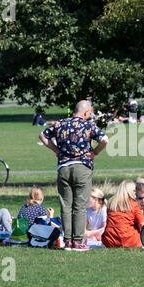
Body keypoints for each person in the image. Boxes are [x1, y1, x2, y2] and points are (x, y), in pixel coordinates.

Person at [39, 99, 108, 251]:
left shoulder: (60, 123)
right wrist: (95, 152)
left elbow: (42, 136)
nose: (90, 115)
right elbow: (104, 140)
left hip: (63, 168)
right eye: (90, 113)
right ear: (85, 112)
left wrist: (56, 150)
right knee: (80, 205)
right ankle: (78, 242)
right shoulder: (88, 125)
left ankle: (67, 241)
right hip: (82, 167)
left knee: (66, 205)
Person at [102, 180, 144, 248]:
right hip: (129, 241)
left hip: (109, 240)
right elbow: (143, 225)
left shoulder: (111, 202)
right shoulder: (133, 204)